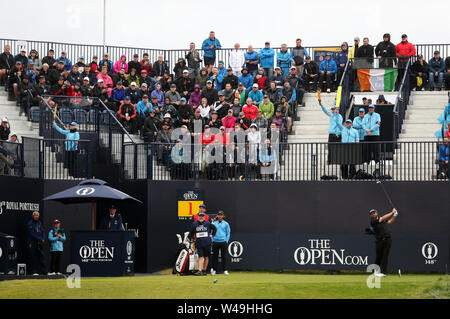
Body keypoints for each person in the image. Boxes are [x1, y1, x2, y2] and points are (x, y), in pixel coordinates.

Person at [369, 208, 398, 277]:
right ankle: (375, 271)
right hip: (379, 241)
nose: (373, 214)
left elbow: (390, 221)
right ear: (371, 215)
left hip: (387, 240)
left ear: (377, 213)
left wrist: (395, 215)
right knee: (379, 256)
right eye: (372, 214)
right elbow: (382, 218)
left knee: (385, 256)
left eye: (374, 212)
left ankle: (383, 272)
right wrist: (392, 212)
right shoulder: (373, 221)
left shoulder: (382, 219)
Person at [189, 211, 217, 276]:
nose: (201, 217)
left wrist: (212, 235)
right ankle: (199, 270)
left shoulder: (208, 223)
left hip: (207, 243)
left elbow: (215, 228)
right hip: (199, 244)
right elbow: (191, 233)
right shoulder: (194, 224)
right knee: (200, 257)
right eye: (200, 216)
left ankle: (204, 270)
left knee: (206, 257)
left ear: (204, 217)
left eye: (202, 216)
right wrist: (191, 239)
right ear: (198, 217)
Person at [27, 211, 48, 275]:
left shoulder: (39, 223)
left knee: (42, 257)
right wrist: (40, 239)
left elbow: (43, 231)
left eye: (37, 215)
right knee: (33, 257)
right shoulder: (30, 223)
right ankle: (33, 271)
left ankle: (45, 272)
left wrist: (43, 238)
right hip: (32, 242)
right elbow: (32, 234)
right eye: (35, 215)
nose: (36, 217)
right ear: (33, 216)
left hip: (39, 243)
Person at [210, 211, 231, 276]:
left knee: (224, 256)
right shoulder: (214, 223)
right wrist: (212, 240)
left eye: (221, 215)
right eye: (219, 215)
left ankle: (225, 270)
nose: (220, 216)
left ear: (223, 216)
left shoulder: (226, 224)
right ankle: (214, 270)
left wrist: (226, 241)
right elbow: (211, 232)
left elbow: (228, 233)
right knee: (214, 257)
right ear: (217, 216)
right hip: (215, 242)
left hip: (223, 242)